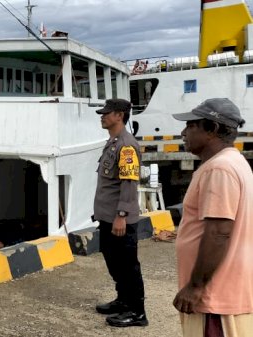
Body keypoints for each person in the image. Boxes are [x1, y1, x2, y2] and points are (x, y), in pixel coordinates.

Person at [171, 98, 253, 336]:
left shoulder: (219, 169)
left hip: (216, 296)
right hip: (226, 290)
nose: (183, 132)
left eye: (192, 125)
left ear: (213, 129)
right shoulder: (234, 162)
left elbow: (219, 232)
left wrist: (196, 286)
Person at [93, 98, 148, 327]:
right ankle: (123, 300)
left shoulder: (126, 145)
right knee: (114, 262)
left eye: (107, 113)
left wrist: (121, 216)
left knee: (127, 265)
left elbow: (128, 183)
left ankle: (137, 312)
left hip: (119, 219)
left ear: (119, 115)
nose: (102, 116)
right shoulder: (113, 142)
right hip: (107, 217)